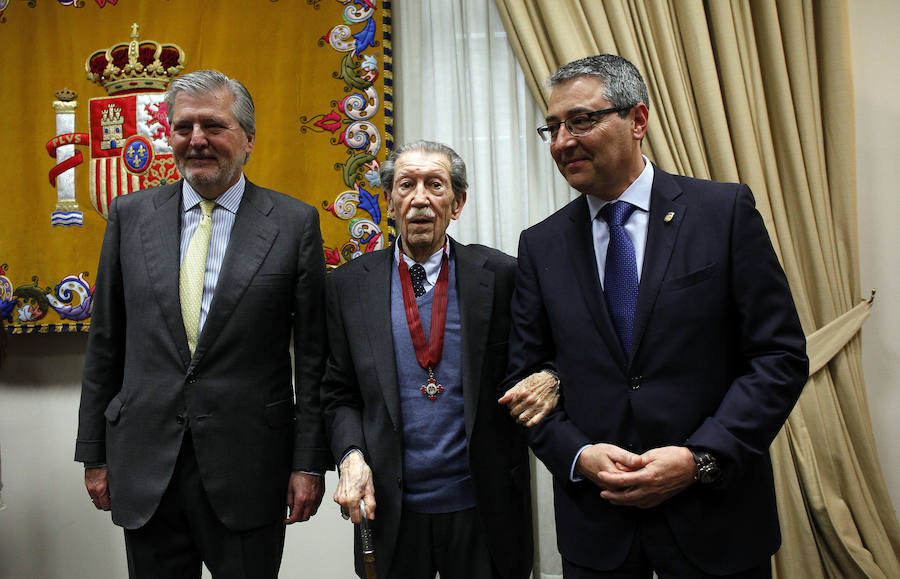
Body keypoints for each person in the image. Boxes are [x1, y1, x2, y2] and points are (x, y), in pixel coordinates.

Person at [503, 54, 809, 578]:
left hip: (717, 521)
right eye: (552, 127)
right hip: (599, 532)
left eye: (580, 121)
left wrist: (701, 458)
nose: (561, 142)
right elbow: (523, 380)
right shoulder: (541, 245)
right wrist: (578, 456)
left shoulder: (724, 212)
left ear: (638, 120)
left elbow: (777, 356)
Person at [75, 70, 329, 577]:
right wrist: (94, 455)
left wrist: (307, 463)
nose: (196, 140)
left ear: (248, 140)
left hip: (251, 467)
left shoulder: (294, 223)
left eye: (213, 126)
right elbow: (106, 341)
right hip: (146, 464)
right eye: (183, 127)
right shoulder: (130, 215)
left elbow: (316, 358)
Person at [321, 140, 557, 579]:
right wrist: (350, 454)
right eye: (406, 185)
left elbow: (548, 356)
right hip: (392, 508)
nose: (420, 198)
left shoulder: (502, 276)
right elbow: (338, 392)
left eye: (435, 185)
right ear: (390, 202)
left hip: (482, 506)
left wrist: (551, 376)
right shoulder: (349, 286)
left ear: (458, 202)